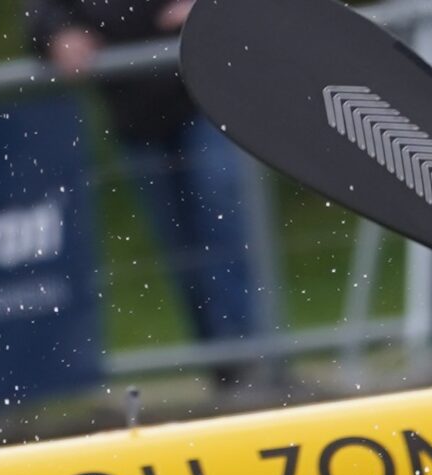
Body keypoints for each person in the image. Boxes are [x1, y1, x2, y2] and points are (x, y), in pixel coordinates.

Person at [25, 0, 265, 386]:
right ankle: (226, 368)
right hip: (134, 113)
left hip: (203, 92)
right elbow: (40, 13)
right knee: (181, 246)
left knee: (222, 218)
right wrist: (56, 33)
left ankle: (253, 358)